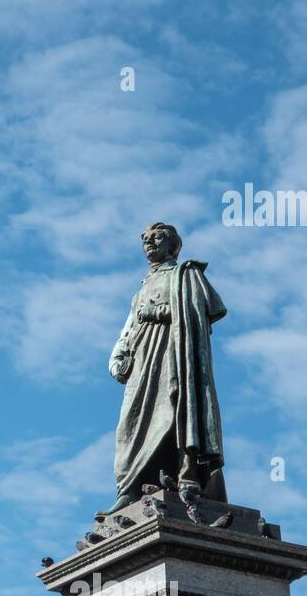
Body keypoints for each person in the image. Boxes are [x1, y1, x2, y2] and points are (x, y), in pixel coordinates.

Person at [97, 222, 227, 520]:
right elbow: (130, 326)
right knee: (131, 424)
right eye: (145, 239)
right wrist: (117, 354)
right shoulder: (141, 288)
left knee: (178, 408)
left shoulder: (186, 275)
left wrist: (155, 313)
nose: (149, 243)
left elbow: (197, 313)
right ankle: (130, 489)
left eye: (157, 238)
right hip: (143, 363)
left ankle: (186, 477)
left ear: (173, 246)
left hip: (175, 355)